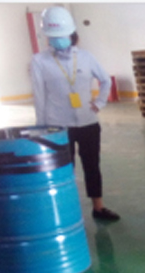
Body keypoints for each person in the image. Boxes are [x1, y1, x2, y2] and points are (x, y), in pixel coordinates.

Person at [30, 6, 119, 221]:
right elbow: (39, 96)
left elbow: (105, 80)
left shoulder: (86, 57)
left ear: (72, 33)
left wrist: (99, 103)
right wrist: (42, 128)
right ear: (47, 37)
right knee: (63, 169)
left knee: (92, 166)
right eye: (54, 36)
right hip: (58, 126)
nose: (59, 40)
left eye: (62, 35)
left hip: (88, 123)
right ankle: (65, 211)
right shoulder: (39, 61)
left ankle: (98, 207)